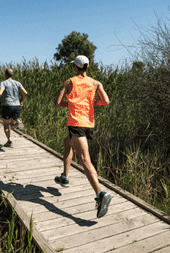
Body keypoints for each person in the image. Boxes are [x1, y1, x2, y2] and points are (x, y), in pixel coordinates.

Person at [54, 55, 112, 218]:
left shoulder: (69, 82)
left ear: (75, 67)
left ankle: (100, 194)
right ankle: (65, 176)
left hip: (76, 123)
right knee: (67, 143)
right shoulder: (96, 83)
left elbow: (57, 102)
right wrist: (90, 104)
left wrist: (72, 103)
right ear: (87, 67)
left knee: (85, 160)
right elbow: (106, 101)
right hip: (88, 124)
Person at [0, 68, 28, 147]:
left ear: (5, 74)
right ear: (12, 75)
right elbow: (25, 93)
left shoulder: (4, 83)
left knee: (6, 125)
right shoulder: (18, 83)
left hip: (7, 106)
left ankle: (9, 141)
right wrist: (20, 101)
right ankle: (16, 122)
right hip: (17, 106)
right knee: (12, 125)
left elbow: (0, 93)